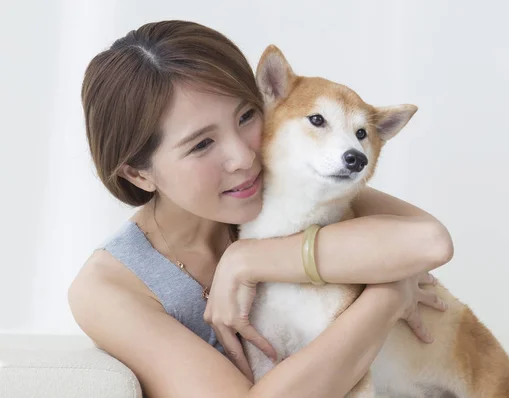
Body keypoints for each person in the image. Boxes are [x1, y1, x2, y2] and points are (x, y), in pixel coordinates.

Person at [68, 20, 454, 398]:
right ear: (137, 173)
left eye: (246, 116)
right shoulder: (108, 287)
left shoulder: (281, 186)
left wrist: (247, 259)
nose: (243, 156)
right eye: (202, 144)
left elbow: (430, 242)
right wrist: (388, 296)